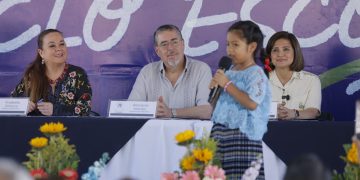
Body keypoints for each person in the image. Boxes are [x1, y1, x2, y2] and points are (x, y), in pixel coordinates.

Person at [209, 20, 271, 179]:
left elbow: (251, 103)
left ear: (251, 47)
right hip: (220, 136)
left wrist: (227, 84)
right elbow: (214, 105)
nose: (229, 50)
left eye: (235, 45)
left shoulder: (256, 74)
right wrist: (215, 89)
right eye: (228, 44)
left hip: (243, 139)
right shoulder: (228, 71)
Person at [128, 24, 212, 119]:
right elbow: (131, 109)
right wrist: (150, 110)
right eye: (164, 44)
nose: (170, 48)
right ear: (157, 51)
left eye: (174, 42)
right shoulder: (147, 72)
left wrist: (171, 112)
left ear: (183, 44)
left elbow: (207, 111)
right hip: (154, 133)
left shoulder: (201, 69)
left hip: (190, 133)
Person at [11, 29, 92, 116]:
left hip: (71, 128)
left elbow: (85, 108)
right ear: (41, 52)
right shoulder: (32, 75)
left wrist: (56, 110)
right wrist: (23, 107)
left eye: (62, 44)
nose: (59, 49)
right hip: (36, 128)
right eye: (52, 46)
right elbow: (11, 105)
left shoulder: (78, 74)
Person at [265, 31, 321, 120]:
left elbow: (314, 112)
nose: (280, 54)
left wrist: (294, 113)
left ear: (295, 53)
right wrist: (271, 112)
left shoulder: (312, 80)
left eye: (286, 49)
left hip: (300, 131)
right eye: (275, 50)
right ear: (270, 56)